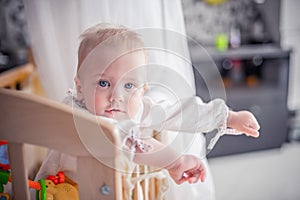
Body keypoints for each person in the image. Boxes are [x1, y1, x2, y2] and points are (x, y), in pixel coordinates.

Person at [34, 23, 260, 196]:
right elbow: (132, 145)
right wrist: (175, 162)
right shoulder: (75, 114)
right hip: (58, 192)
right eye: (103, 83)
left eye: (129, 85)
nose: (116, 97)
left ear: (142, 91)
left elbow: (177, 112)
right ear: (80, 88)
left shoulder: (133, 108)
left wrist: (227, 117)